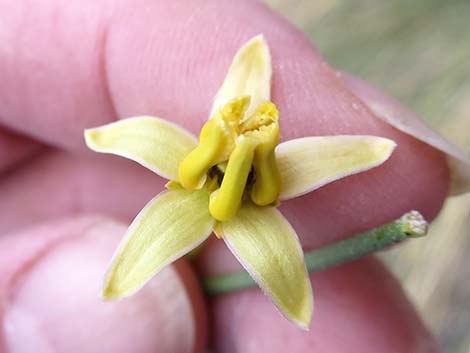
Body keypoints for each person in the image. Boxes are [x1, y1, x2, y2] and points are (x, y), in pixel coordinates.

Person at [0, 0, 451, 352]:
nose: (240, 149)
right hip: (207, 211)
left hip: (244, 220)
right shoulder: (166, 148)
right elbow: (114, 142)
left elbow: (361, 152)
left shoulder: (255, 173)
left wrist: (362, 152)